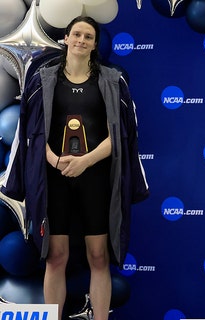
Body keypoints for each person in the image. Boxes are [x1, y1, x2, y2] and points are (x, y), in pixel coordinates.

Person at [1, 16, 149, 319]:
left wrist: (85, 161)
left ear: (95, 45)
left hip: (96, 180)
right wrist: (55, 160)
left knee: (98, 257)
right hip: (54, 182)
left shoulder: (111, 81)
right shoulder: (41, 79)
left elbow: (122, 135)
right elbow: (29, 132)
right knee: (56, 258)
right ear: (65, 39)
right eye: (77, 35)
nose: (82, 40)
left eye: (89, 37)